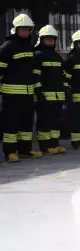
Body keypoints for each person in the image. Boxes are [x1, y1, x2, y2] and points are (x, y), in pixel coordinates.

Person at [0, 14, 42, 162]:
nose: (26, 32)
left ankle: (25, 150)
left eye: (28, 29)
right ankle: (10, 152)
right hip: (11, 95)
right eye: (23, 29)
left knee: (26, 124)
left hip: (27, 94)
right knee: (11, 124)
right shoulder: (7, 47)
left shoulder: (29, 47)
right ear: (16, 30)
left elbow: (31, 71)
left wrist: (36, 90)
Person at [33, 25, 67, 155]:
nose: (50, 42)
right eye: (47, 40)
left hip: (57, 97)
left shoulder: (57, 56)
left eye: (52, 40)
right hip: (44, 97)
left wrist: (66, 90)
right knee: (44, 123)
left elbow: (62, 76)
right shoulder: (38, 55)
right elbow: (35, 76)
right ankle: (45, 146)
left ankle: (55, 143)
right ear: (41, 40)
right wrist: (39, 93)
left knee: (55, 123)